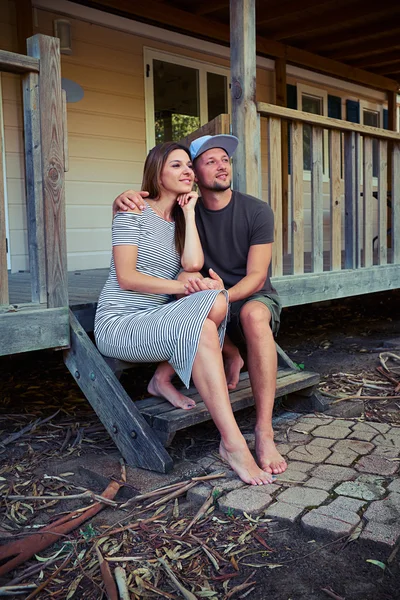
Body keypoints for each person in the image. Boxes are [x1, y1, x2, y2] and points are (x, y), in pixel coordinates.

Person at [96, 141, 273, 486]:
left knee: (216, 299)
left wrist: (190, 213)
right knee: (206, 310)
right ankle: (234, 444)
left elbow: (191, 265)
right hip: (120, 323)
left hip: (159, 320)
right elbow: (126, 277)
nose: (187, 172)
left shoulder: (179, 219)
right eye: (177, 166)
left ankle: (223, 435)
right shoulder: (132, 211)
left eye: (188, 166)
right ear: (158, 174)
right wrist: (187, 289)